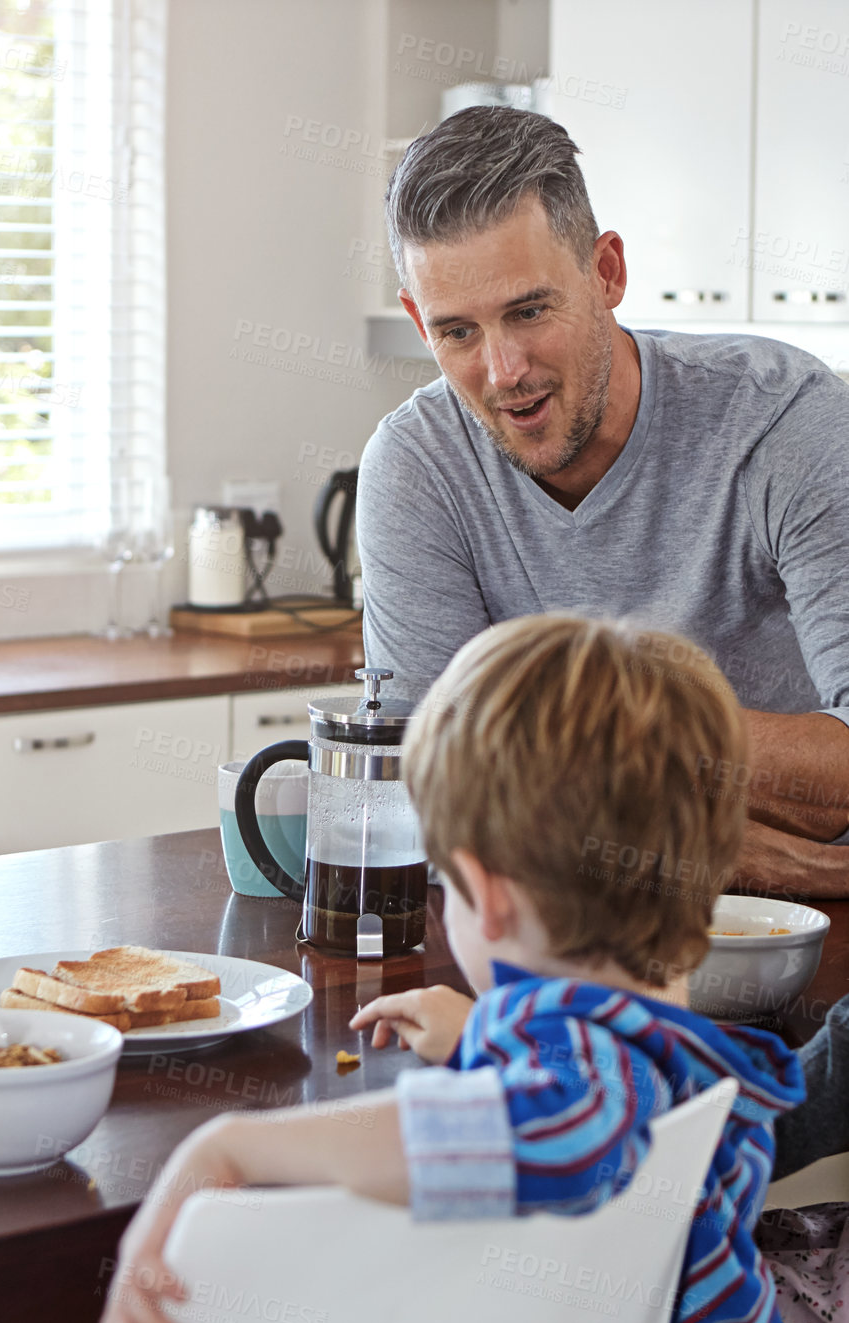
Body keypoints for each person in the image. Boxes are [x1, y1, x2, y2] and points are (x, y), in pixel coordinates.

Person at [97, 613, 807, 1323]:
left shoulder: (592, 1084)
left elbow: (577, 1127)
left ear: (489, 894)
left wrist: (231, 1143)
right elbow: (599, 1077)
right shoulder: (681, 1059)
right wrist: (486, 1038)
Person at [358, 105, 849, 897]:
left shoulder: (784, 420)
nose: (504, 369)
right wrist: (752, 852)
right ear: (419, 323)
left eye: (528, 310)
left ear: (607, 273)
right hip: (564, 941)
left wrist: (574, 745)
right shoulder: (417, 467)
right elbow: (437, 796)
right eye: (458, 332)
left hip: (800, 939)